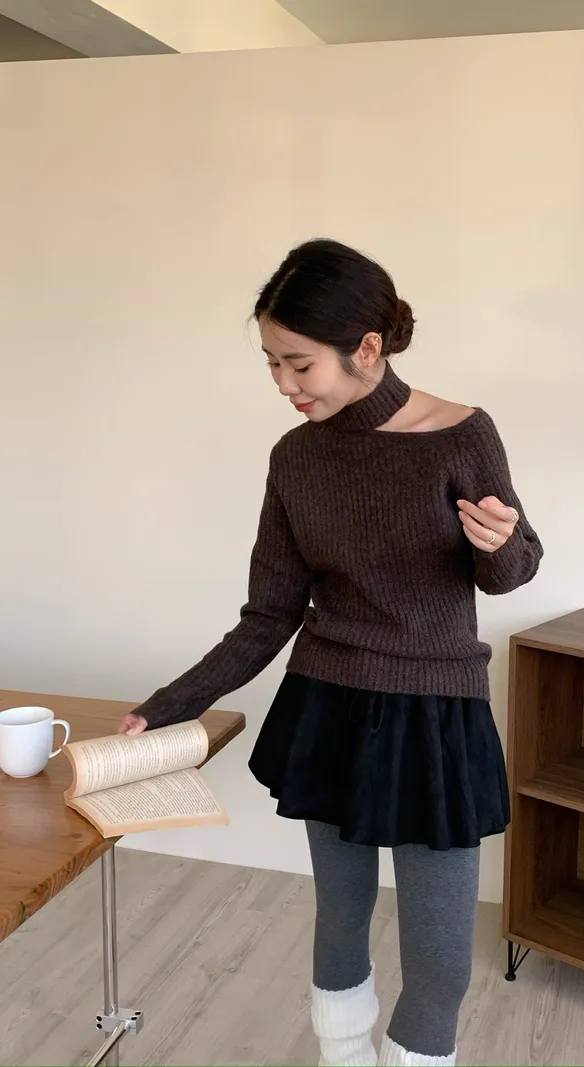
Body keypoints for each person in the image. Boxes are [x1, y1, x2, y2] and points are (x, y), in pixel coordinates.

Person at [118, 238, 543, 1067]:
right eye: (272, 363)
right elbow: (268, 614)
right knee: (340, 918)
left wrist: (500, 543)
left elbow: (510, 570)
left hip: (437, 716)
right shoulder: (296, 458)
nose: (284, 384)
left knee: (441, 958)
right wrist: (167, 706)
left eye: (299, 364)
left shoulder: (464, 434)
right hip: (331, 703)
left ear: (368, 348)